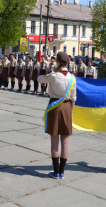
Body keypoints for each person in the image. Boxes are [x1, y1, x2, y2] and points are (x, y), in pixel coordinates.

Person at [38, 51, 77, 179]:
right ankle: (62, 171)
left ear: (58, 62)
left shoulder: (53, 75)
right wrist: (70, 113)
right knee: (65, 141)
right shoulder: (72, 77)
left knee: (54, 141)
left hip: (55, 106)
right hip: (67, 107)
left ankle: (55, 171)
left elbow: (40, 79)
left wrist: (48, 72)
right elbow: (73, 98)